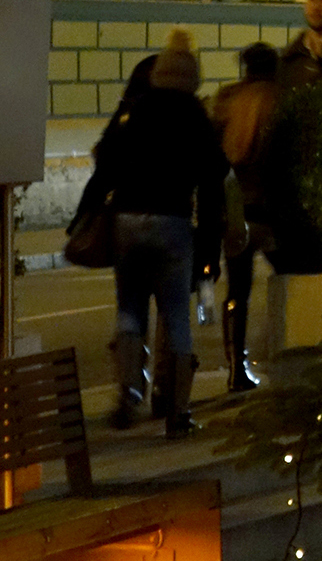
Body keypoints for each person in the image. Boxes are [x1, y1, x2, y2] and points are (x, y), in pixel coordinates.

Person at [89, 29, 229, 435]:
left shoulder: (136, 110)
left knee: (129, 309)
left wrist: (88, 211)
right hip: (173, 223)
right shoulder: (195, 117)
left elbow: (106, 162)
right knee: (176, 317)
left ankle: (127, 394)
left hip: (128, 221)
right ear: (192, 78)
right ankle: (177, 414)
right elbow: (213, 180)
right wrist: (209, 242)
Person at [209, 42, 284, 393]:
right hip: (274, 207)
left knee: (237, 290)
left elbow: (212, 154)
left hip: (235, 207)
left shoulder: (226, 99)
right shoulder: (282, 98)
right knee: (289, 280)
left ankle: (236, 367)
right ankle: (286, 357)